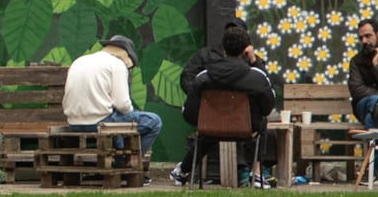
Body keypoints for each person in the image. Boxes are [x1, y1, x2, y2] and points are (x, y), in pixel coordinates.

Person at [173, 25, 278, 186]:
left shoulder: (203, 78)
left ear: (223, 49)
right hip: (247, 129)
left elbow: (190, 114)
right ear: (245, 50)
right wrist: (255, 61)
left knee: (207, 128)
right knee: (262, 122)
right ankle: (256, 174)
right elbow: (267, 107)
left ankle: (182, 171)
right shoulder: (256, 77)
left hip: (211, 129)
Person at [63, 34, 162, 165]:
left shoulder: (79, 61)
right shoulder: (117, 64)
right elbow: (123, 105)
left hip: (74, 123)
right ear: (127, 55)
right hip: (99, 123)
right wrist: (131, 111)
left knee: (116, 120)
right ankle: (129, 164)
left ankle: (118, 163)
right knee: (154, 121)